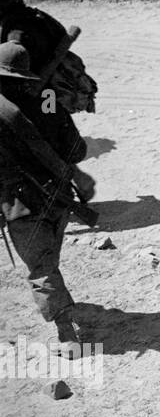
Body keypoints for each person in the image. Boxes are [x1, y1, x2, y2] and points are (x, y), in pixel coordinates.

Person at [0, 43, 96, 351]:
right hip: (58, 197)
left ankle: (66, 329)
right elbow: (76, 147)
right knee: (48, 260)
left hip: (20, 205)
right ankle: (61, 306)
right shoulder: (48, 98)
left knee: (41, 268)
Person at [0, 0, 96, 113]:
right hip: (51, 84)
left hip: (39, 85)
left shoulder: (16, 30)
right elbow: (61, 34)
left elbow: (13, 65)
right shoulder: (37, 15)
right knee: (53, 118)